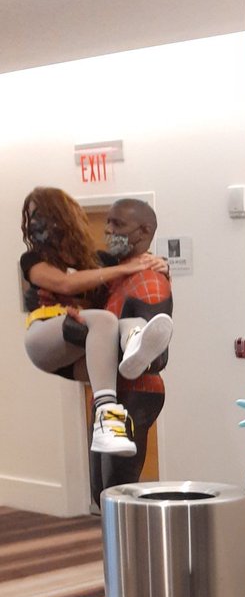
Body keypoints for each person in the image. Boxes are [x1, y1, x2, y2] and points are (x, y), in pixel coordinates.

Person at [80, 197, 175, 597]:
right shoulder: (116, 275)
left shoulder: (151, 280)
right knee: (103, 498)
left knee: (121, 501)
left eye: (118, 224)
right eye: (109, 223)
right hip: (109, 398)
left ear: (143, 233)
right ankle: (114, 589)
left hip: (135, 395)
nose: (109, 231)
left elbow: (160, 357)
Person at [19, 187, 172, 456]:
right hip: (45, 337)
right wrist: (124, 268)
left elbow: (130, 271)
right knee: (104, 320)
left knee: (125, 322)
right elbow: (64, 283)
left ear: (61, 215)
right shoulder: (33, 259)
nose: (34, 223)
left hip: (81, 351)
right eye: (31, 216)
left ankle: (134, 343)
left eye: (40, 214)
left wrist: (160, 265)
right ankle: (106, 417)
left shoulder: (95, 260)